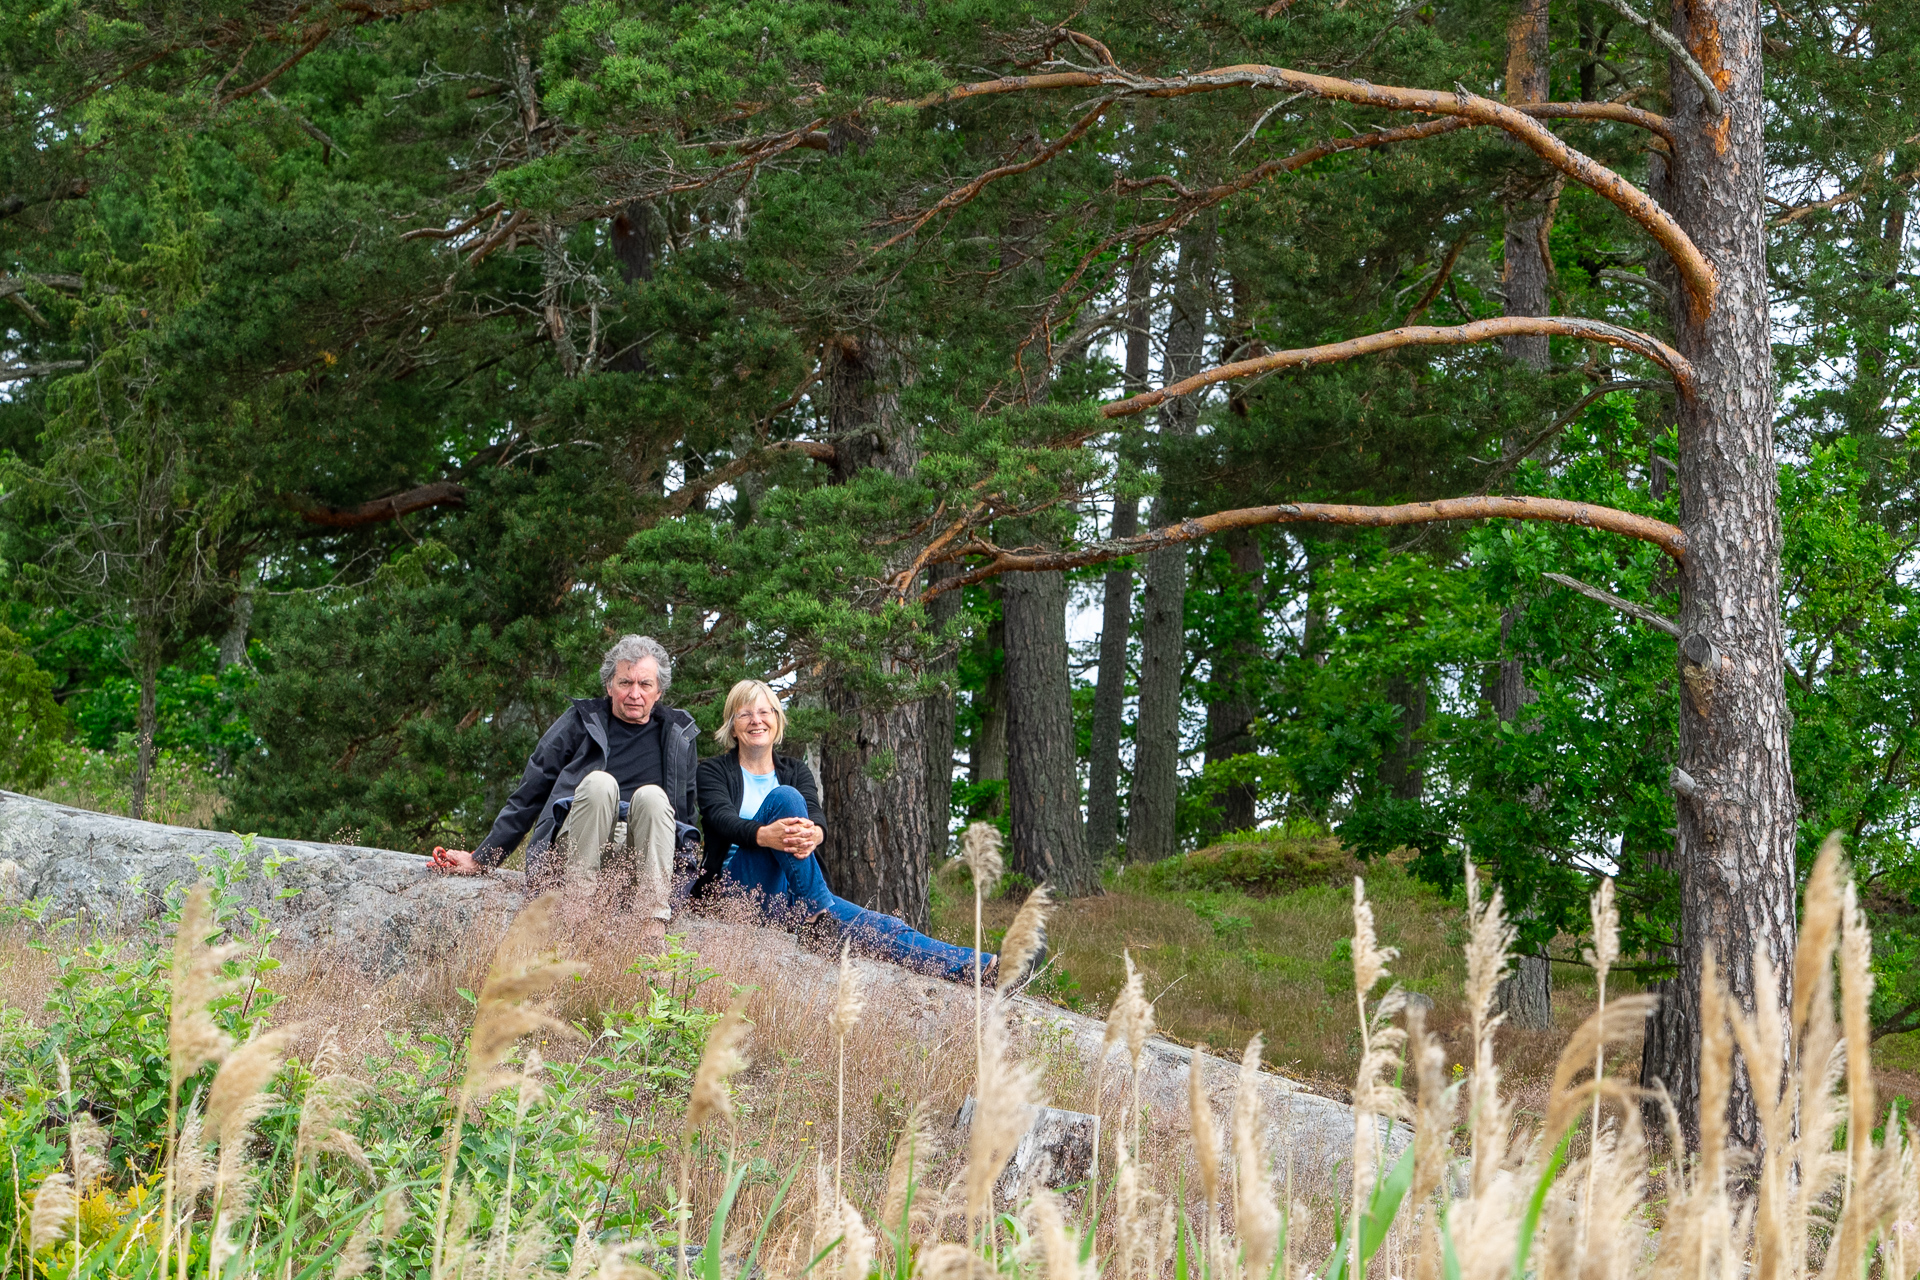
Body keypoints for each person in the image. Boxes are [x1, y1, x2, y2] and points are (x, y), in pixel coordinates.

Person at [694, 678, 994, 983]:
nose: (756, 720)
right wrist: (765, 836)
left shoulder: (795, 770)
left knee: (884, 927)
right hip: (738, 890)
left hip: (792, 896)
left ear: (777, 719)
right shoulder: (712, 771)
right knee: (785, 798)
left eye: (764, 712)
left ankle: (980, 968)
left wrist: (815, 834)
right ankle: (818, 913)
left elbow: (815, 817)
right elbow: (722, 820)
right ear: (733, 727)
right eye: (745, 714)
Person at [429, 635, 700, 941]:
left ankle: (651, 929)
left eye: (645, 684)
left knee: (653, 797)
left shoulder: (678, 735)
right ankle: (576, 914)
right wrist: (483, 858)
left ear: (659, 691)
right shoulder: (581, 722)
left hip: (640, 860)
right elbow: (530, 792)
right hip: (578, 850)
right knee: (599, 784)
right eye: (625, 682)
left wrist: (689, 889)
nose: (634, 693)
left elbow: (684, 821)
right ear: (609, 686)